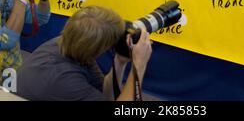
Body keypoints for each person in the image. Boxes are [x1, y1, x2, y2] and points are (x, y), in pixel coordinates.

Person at [17, 6, 152, 101]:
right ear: (100, 48)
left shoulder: (70, 44)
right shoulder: (66, 80)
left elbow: (105, 94)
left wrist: (119, 62)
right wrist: (139, 64)